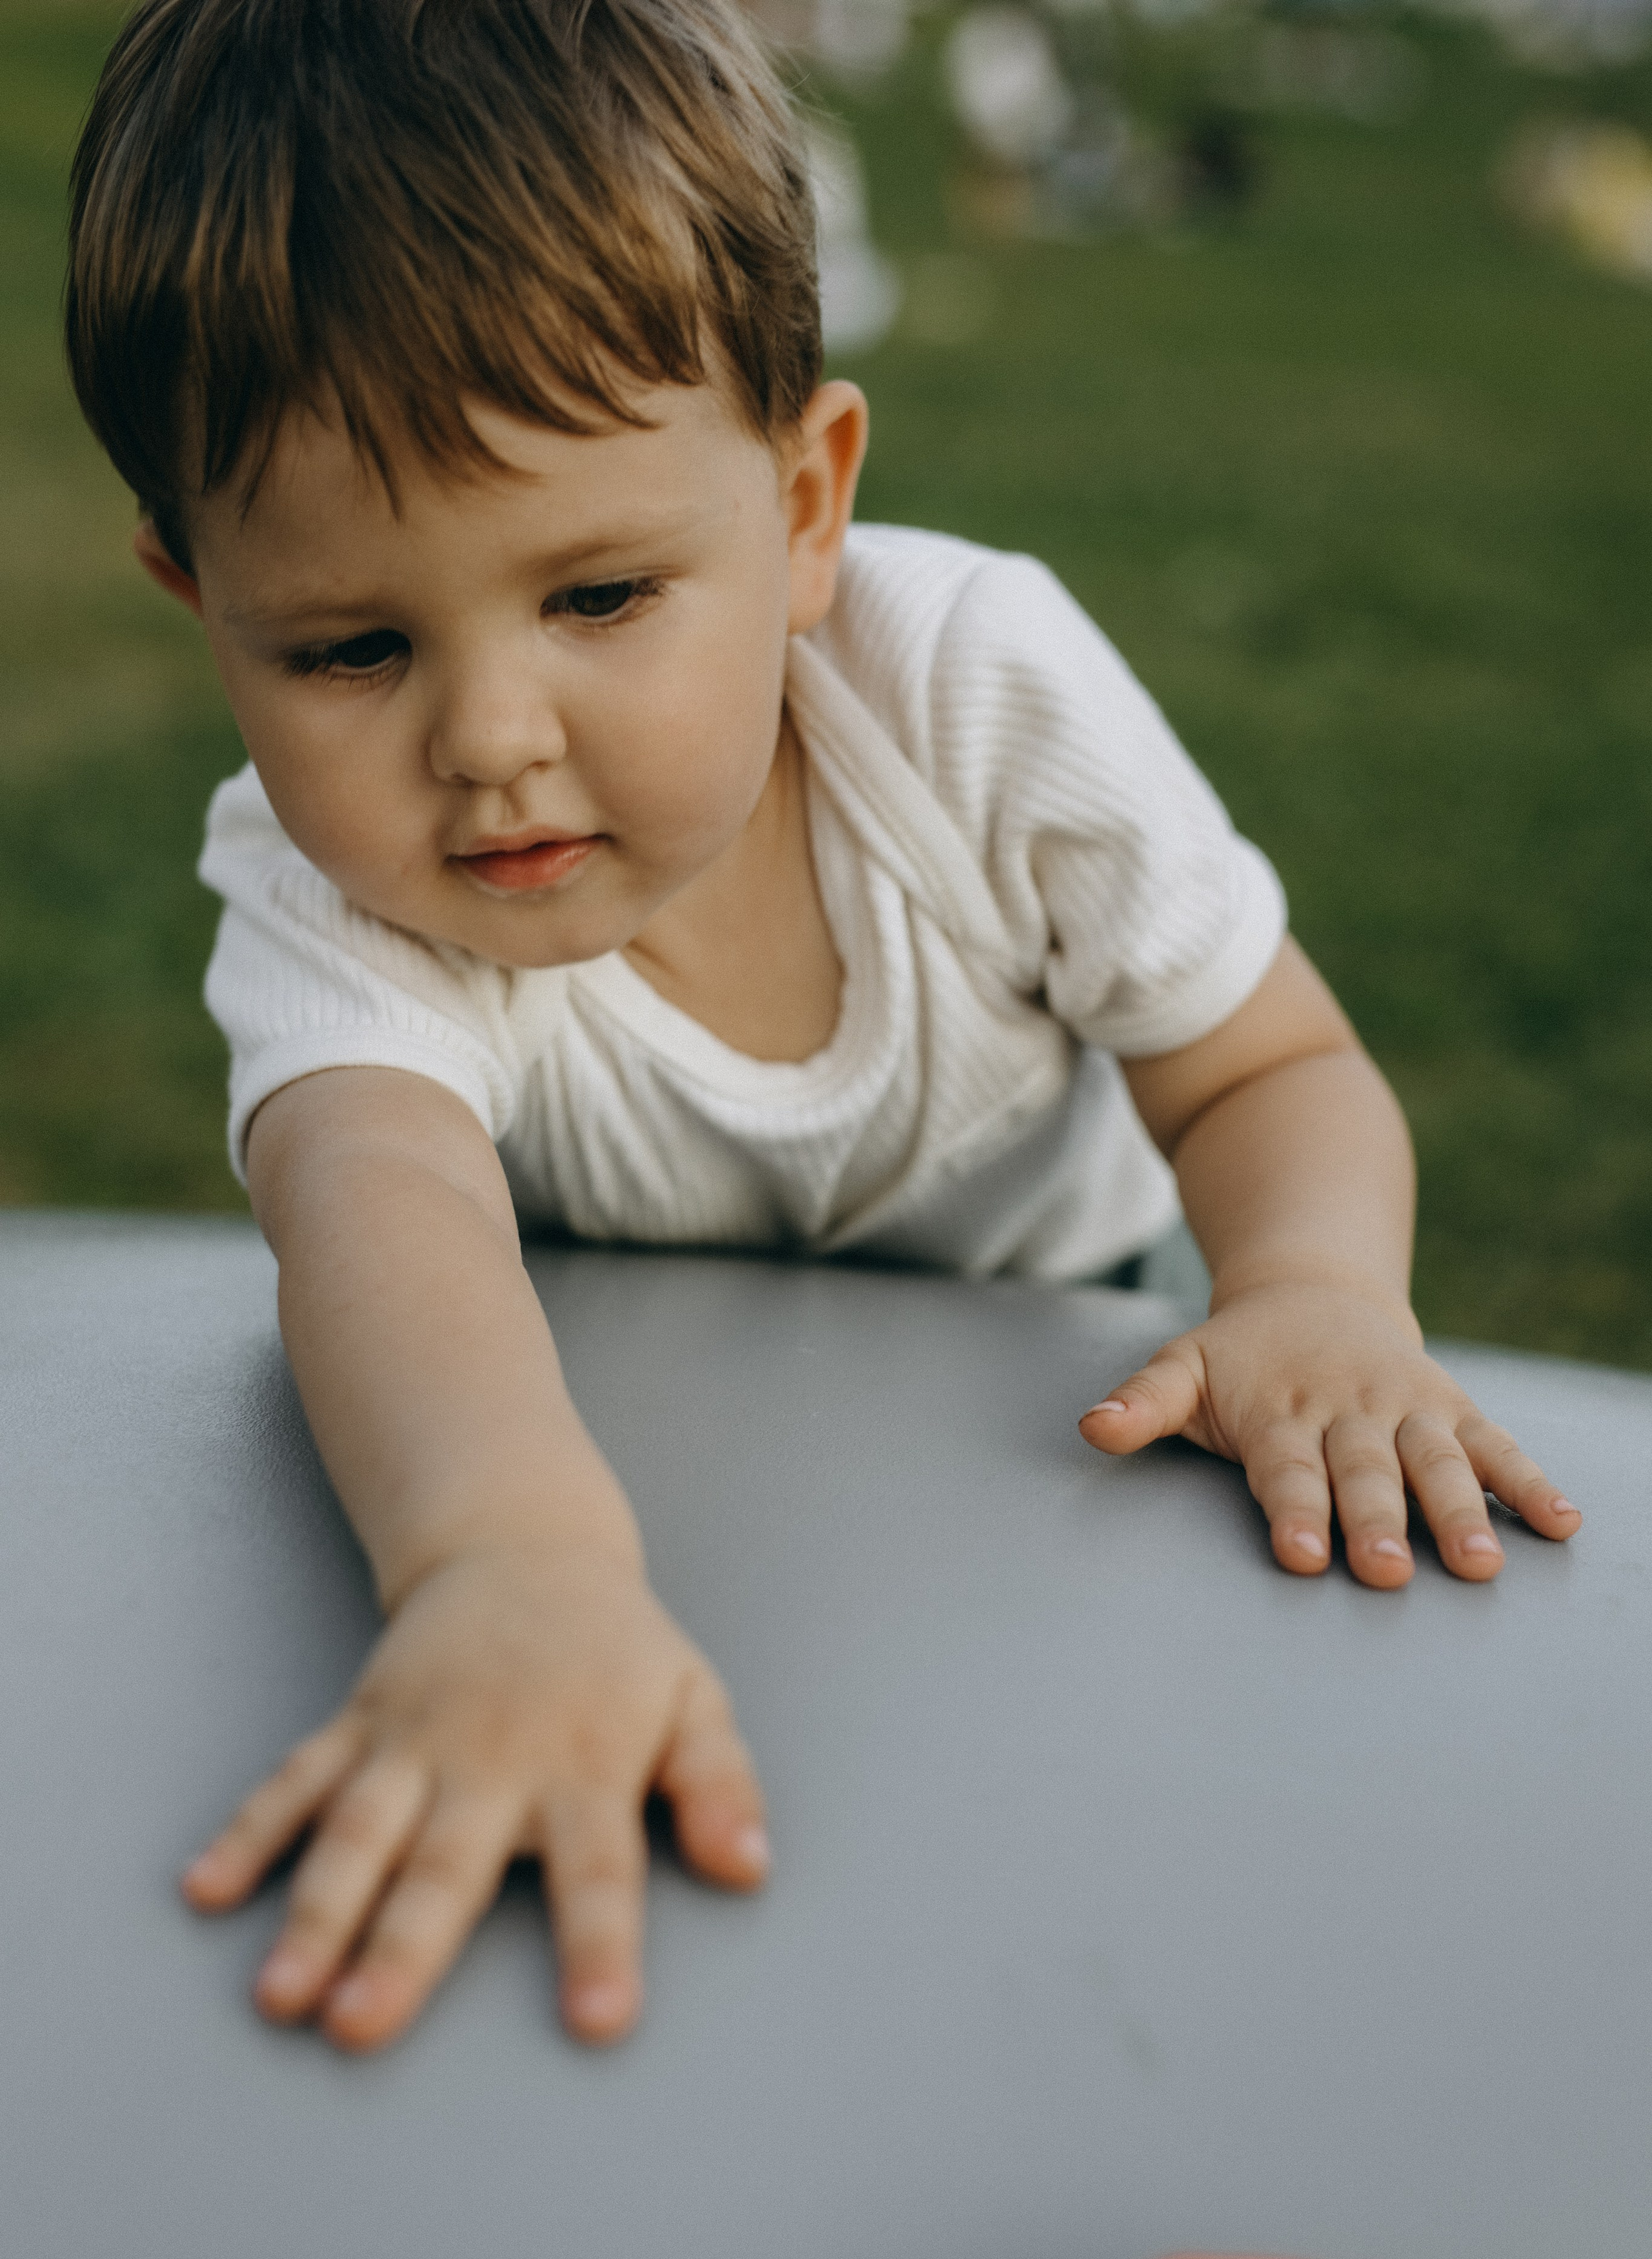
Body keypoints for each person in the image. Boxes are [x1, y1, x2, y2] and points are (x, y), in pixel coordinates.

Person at [66, 0, 1578, 2056]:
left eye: (598, 598)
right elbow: (375, 1205)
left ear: (801, 508)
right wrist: (505, 1560)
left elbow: (1268, 1067)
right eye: (348, 647)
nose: (492, 745)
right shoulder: (334, 886)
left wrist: (1311, 1287)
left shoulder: (972, 690)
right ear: (198, 597)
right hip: (634, 1403)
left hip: (1075, 1368)